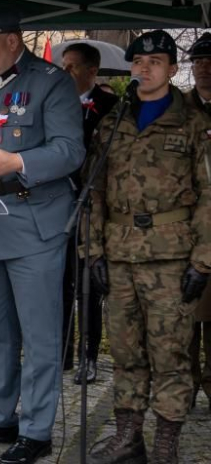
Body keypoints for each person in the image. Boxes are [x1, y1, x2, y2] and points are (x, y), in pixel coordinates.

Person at [0, 13, 85, 464]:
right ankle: (0, 415)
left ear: (13, 41)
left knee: (39, 335)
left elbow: (70, 150)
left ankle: (36, 429)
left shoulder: (52, 82)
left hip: (35, 221)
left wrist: (17, 161)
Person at [85, 30, 211, 464]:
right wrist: (92, 251)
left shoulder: (194, 123)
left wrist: (204, 260)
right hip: (119, 255)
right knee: (125, 351)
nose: (145, 68)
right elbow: (94, 191)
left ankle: (165, 444)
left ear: (172, 69)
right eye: (138, 61)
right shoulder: (113, 121)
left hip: (172, 258)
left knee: (171, 354)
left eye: (155, 62)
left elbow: (209, 195)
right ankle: (129, 438)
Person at [60, 43, 118, 384]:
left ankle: (88, 355)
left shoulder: (111, 107)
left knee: (88, 286)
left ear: (91, 72)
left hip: (92, 207)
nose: (65, 73)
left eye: (72, 67)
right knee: (60, 283)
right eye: (63, 66)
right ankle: (63, 354)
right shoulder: (55, 103)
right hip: (57, 206)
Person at [184, 32, 211, 410]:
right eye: (199, 62)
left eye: (210, 62)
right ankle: (185, 386)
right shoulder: (179, 107)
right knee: (186, 315)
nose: (204, 68)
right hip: (188, 227)